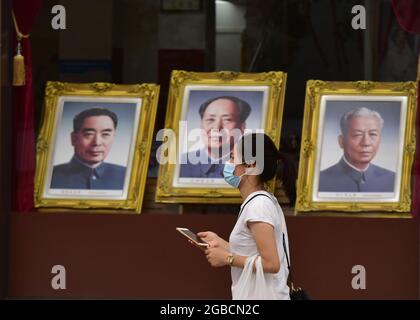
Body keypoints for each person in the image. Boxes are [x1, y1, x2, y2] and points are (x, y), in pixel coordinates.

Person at [197, 133, 290, 300]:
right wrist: (221, 244)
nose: (228, 164)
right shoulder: (259, 202)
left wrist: (227, 258)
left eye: (233, 158)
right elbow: (251, 251)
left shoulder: (258, 205)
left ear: (251, 165)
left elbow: (271, 263)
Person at [319, 107, 395, 192]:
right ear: (341, 141)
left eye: (372, 134)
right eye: (357, 135)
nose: (366, 143)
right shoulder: (319, 181)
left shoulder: (392, 180)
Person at [50, 108, 126, 190]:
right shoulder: (50, 176)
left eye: (105, 134)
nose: (97, 142)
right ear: (74, 138)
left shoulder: (126, 175)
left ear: (113, 138)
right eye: (89, 134)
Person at [179, 96, 251, 178]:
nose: (217, 127)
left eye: (227, 119)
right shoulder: (180, 164)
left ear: (242, 126)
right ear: (201, 125)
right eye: (210, 119)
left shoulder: (252, 167)